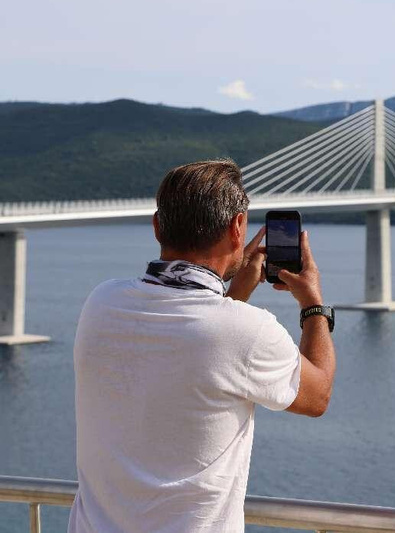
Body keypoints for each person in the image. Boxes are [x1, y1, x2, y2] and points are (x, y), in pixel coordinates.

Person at [68, 160, 336, 533]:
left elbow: (197, 342)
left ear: (157, 225)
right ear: (237, 227)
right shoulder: (248, 331)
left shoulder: (101, 302)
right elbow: (317, 395)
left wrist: (234, 294)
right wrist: (313, 302)